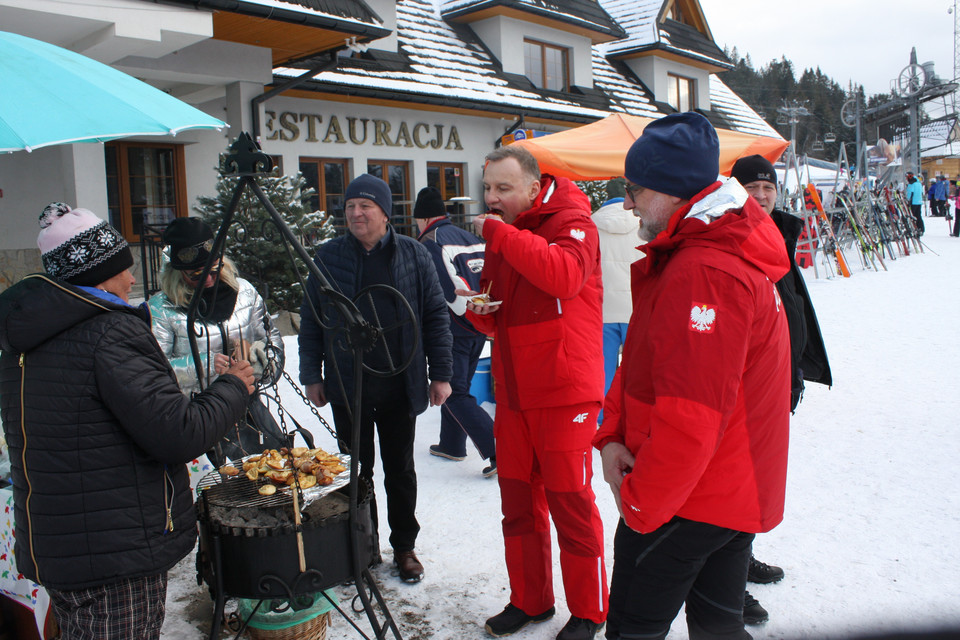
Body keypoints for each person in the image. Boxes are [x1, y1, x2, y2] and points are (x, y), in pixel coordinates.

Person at [0, 203, 253, 640]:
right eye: (124, 269)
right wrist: (233, 385)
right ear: (99, 274)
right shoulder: (107, 333)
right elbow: (178, 433)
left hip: (60, 547)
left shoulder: (24, 339)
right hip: (115, 553)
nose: (132, 279)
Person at [593, 112, 791, 640]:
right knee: (718, 627)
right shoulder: (705, 250)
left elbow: (692, 415)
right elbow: (641, 363)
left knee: (633, 630)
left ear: (676, 190)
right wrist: (612, 433)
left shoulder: (705, 269)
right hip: (723, 494)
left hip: (687, 497)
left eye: (635, 189)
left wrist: (640, 504)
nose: (628, 203)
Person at [462, 144, 607, 640]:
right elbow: (496, 309)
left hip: (565, 391)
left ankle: (589, 610)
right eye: (488, 188)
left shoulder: (574, 222)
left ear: (532, 186)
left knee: (570, 502)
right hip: (515, 391)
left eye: (503, 188)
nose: (492, 198)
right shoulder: (510, 233)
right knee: (518, 502)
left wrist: (499, 234)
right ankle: (530, 600)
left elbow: (563, 276)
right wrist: (475, 309)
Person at [298, 174, 453, 584]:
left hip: (400, 384)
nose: (356, 213)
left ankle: (404, 547)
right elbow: (313, 321)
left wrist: (441, 374)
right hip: (350, 386)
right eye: (350, 206)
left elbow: (436, 316)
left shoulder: (414, 255)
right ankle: (361, 548)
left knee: (400, 470)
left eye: (365, 206)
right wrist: (312, 374)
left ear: (385, 212)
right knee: (354, 471)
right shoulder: (328, 258)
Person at [731, 154, 834, 624]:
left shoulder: (779, 233)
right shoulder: (734, 237)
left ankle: (739, 557)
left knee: (757, 480)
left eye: (767, 187)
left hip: (779, 375)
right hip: (746, 384)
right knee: (735, 481)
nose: (762, 195)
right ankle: (724, 581)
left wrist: (795, 370)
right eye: (751, 188)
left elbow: (790, 306)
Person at [148, 217, 289, 468]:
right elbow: (154, 372)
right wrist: (205, 365)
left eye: (214, 270)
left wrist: (260, 364)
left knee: (275, 476)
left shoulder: (244, 292)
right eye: (196, 276)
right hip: (197, 417)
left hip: (249, 411)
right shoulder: (161, 309)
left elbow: (271, 340)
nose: (209, 280)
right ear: (177, 272)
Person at [413, 186, 497, 477]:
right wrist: (482, 313)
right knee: (457, 385)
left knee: (454, 392)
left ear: (422, 219)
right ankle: (451, 444)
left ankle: (500, 450)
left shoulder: (431, 241)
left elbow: (447, 289)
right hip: (479, 324)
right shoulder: (471, 238)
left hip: (453, 328)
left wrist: (464, 312)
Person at [592, 177, 642, 423]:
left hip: (602, 309)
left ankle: (603, 417)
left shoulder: (591, 224)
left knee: (603, 369)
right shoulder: (644, 223)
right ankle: (632, 415)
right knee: (636, 368)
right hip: (635, 308)